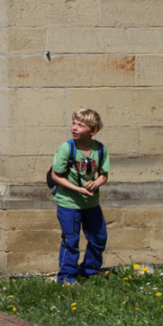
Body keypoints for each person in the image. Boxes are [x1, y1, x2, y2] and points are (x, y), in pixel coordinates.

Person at [50, 109, 110, 286]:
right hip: (69, 204)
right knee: (71, 240)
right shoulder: (66, 148)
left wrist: (96, 183)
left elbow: (104, 175)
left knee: (99, 238)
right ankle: (67, 278)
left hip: (91, 204)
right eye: (74, 123)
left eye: (80, 125)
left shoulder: (99, 149)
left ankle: (89, 272)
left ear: (93, 130)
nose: (74, 128)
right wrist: (78, 189)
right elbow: (56, 176)